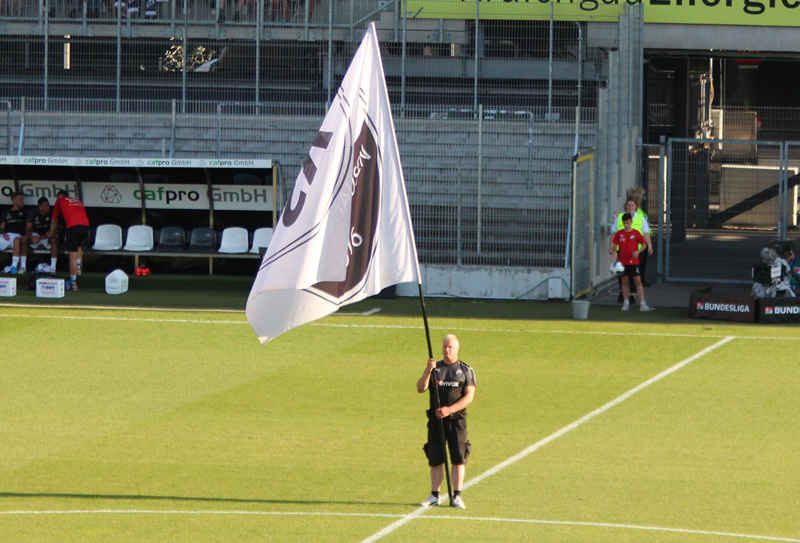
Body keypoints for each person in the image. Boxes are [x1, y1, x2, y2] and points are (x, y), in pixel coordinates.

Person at [416, 334, 476, 510]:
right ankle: (435, 495)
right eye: (444, 347)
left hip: (456, 420)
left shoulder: (465, 370)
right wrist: (428, 370)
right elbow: (420, 388)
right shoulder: (435, 369)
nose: (446, 350)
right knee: (435, 458)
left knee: (458, 457)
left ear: (457, 348)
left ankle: (456, 495)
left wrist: (450, 410)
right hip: (436, 421)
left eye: (450, 347)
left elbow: (469, 397)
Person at [611, 197, 653, 304]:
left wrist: (649, 245)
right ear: (626, 206)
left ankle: (633, 295)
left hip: (636, 251)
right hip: (622, 250)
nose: (630, 207)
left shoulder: (640, 218)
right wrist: (612, 248)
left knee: (635, 274)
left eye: (632, 205)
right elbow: (614, 233)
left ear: (636, 207)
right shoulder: (621, 217)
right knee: (621, 272)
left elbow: (645, 232)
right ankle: (623, 292)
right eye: (628, 205)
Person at [49, 190, 89, 291]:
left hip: (73, 227)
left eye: (58, 197)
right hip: (85, 227)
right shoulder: (78, 201)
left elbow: (54, 219)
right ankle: (78, 267)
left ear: (61, 196)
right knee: (78, 245)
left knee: (72, 256)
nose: (57, 200)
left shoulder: (60, 201)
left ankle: (73, 283)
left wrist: (51, 233)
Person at [23, 197, 59, 274]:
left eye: (48, 205)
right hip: (35, 235)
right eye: (46, 205)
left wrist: (43, 237)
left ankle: (53, 267)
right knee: (24, 238)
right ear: (40, 207)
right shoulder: (33, 212)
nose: (48, 207)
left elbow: (54, 230)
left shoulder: (52, 213)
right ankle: (23, 266)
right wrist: (32, 238)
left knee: (54, 239)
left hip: (46, 236)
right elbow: (27, 229)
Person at [1, 192, 28, 274]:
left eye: (22, 199)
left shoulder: (25, 213)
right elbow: (1, 227)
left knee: (16, 240)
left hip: (17, 236)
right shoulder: (6, 213)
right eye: (20, 199)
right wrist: (3, 233)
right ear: (14, 200)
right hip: (6, 236)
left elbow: (28, 227)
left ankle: (14, 266)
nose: (22, 201)